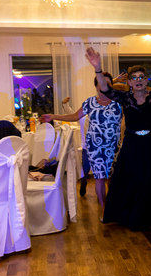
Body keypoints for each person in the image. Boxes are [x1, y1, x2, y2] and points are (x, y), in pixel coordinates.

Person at [87, 50, 151, 230]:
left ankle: (147, 218)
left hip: (150, 144)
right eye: (134, 78)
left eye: (141, 77)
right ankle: (123, 215)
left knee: (148, 180)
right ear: (129, 83)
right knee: (127, 179)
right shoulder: (125, 98)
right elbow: (106, 88)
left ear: (146, 80)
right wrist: (97, 68)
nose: (138, 80)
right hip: (132, 143)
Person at [39, 73, 122, 210]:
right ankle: (104, 210)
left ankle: (116, 207)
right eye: (101, 83)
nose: (104, 86)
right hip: (95, 146)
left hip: (114, 146)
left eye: (108, 84)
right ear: (96, 86)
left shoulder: (119, 102)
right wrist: (53, 116)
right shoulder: (90, 102)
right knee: (100, 179)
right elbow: (74, 116)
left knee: (115, 178)